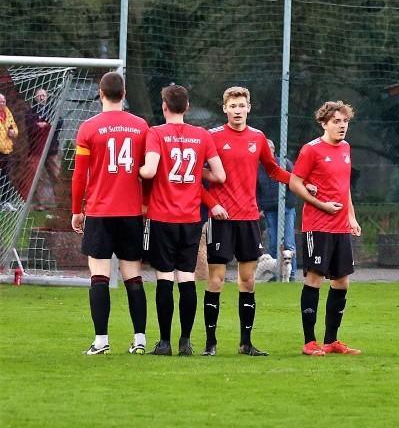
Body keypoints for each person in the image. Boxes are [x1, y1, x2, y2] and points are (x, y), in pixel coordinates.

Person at [200, 87, 296, 357]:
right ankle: (210, 344)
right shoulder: (213, 137)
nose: (238, 110)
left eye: (242, 105)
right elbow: (195, 175)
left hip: (249, 219)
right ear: (225, 109)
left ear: (249, 108)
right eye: (233, 106)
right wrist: (212, 204)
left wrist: (298, 183)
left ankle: (245, 343)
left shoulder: (258, 138)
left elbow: (274, 169)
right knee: (216, 281)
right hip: (221, 219)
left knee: (248, 281)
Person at [139, 84, 226, 356]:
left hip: (162, 217)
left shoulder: (155, 133)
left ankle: (164, 342)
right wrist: (198, 172)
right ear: (187, 107)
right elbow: (220, 176)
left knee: (164, 277)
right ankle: (185, 342)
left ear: (164, 107)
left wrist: (136, 170)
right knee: (186, 277)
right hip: (191, 218)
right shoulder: (202, 136)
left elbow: (150, 170)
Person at [70, 72, 149, 355]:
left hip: (100, 211)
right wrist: (146, 203)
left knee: (99, 275)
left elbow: (80, 175)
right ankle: (140, 339)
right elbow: (148, 171)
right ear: (124, 93)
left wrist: (76, 210)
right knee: (133, 275)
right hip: (130, 211)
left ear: (101, 93)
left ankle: (101, 341)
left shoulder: (88, 128)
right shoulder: (140, 126)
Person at [289, 101, 363, 357]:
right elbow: (295, 183)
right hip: (317, 225)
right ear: (324, 123)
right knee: (315, 279)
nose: (342, 126)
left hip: (341, 226)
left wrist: (351, 216)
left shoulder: (346, 148)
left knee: (342, 282)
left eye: (345, 122)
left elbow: (345, 187)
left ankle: (332, 340)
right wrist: (320, 204)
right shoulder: (311, 150)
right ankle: (310, 342)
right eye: (336, 122)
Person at [258, 138, 299, 279]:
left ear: (273, 149)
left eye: (267, 149)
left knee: (288, 242)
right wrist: (260, 207)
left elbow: (295, 183)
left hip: (286, 208)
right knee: (274, 242)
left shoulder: (284, 163)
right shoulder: (258, 168)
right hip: (270, 209)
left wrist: (288, 203)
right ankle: (277, 274)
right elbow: (256, 189)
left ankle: (290, 274)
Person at [0, 93, 19, 204]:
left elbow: (15, 128)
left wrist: (14, 133)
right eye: (0, 102)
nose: (2, 104)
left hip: (6, 149)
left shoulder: (8, 113)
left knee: (6, 176)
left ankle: (5, 201)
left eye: (3, 101)